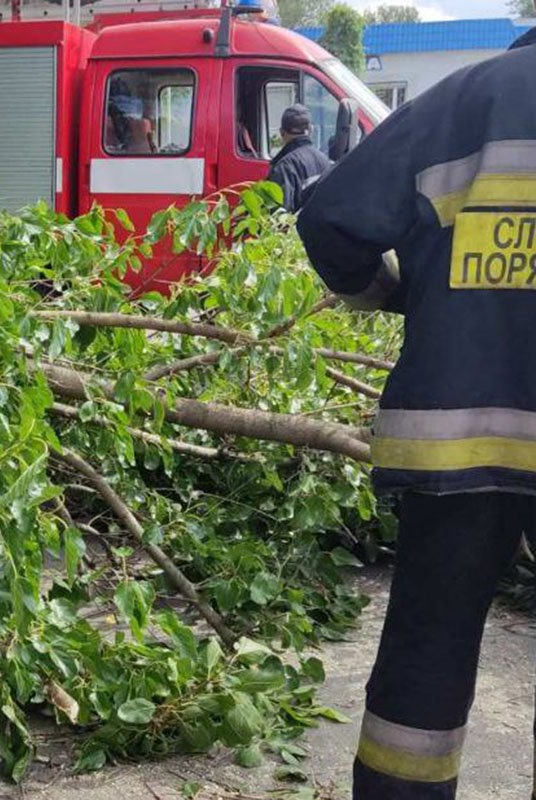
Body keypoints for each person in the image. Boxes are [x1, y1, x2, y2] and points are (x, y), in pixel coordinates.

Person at [296, 27, 536, 800]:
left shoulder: (472, 97)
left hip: (455, 449)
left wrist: (390, 293)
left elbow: (331, 214)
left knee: (427, 655)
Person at [267, 104, 331, 213]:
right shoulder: (325, 161)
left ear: (282, 132)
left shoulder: (284, 167)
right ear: (311, 129)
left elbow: (280, 215)